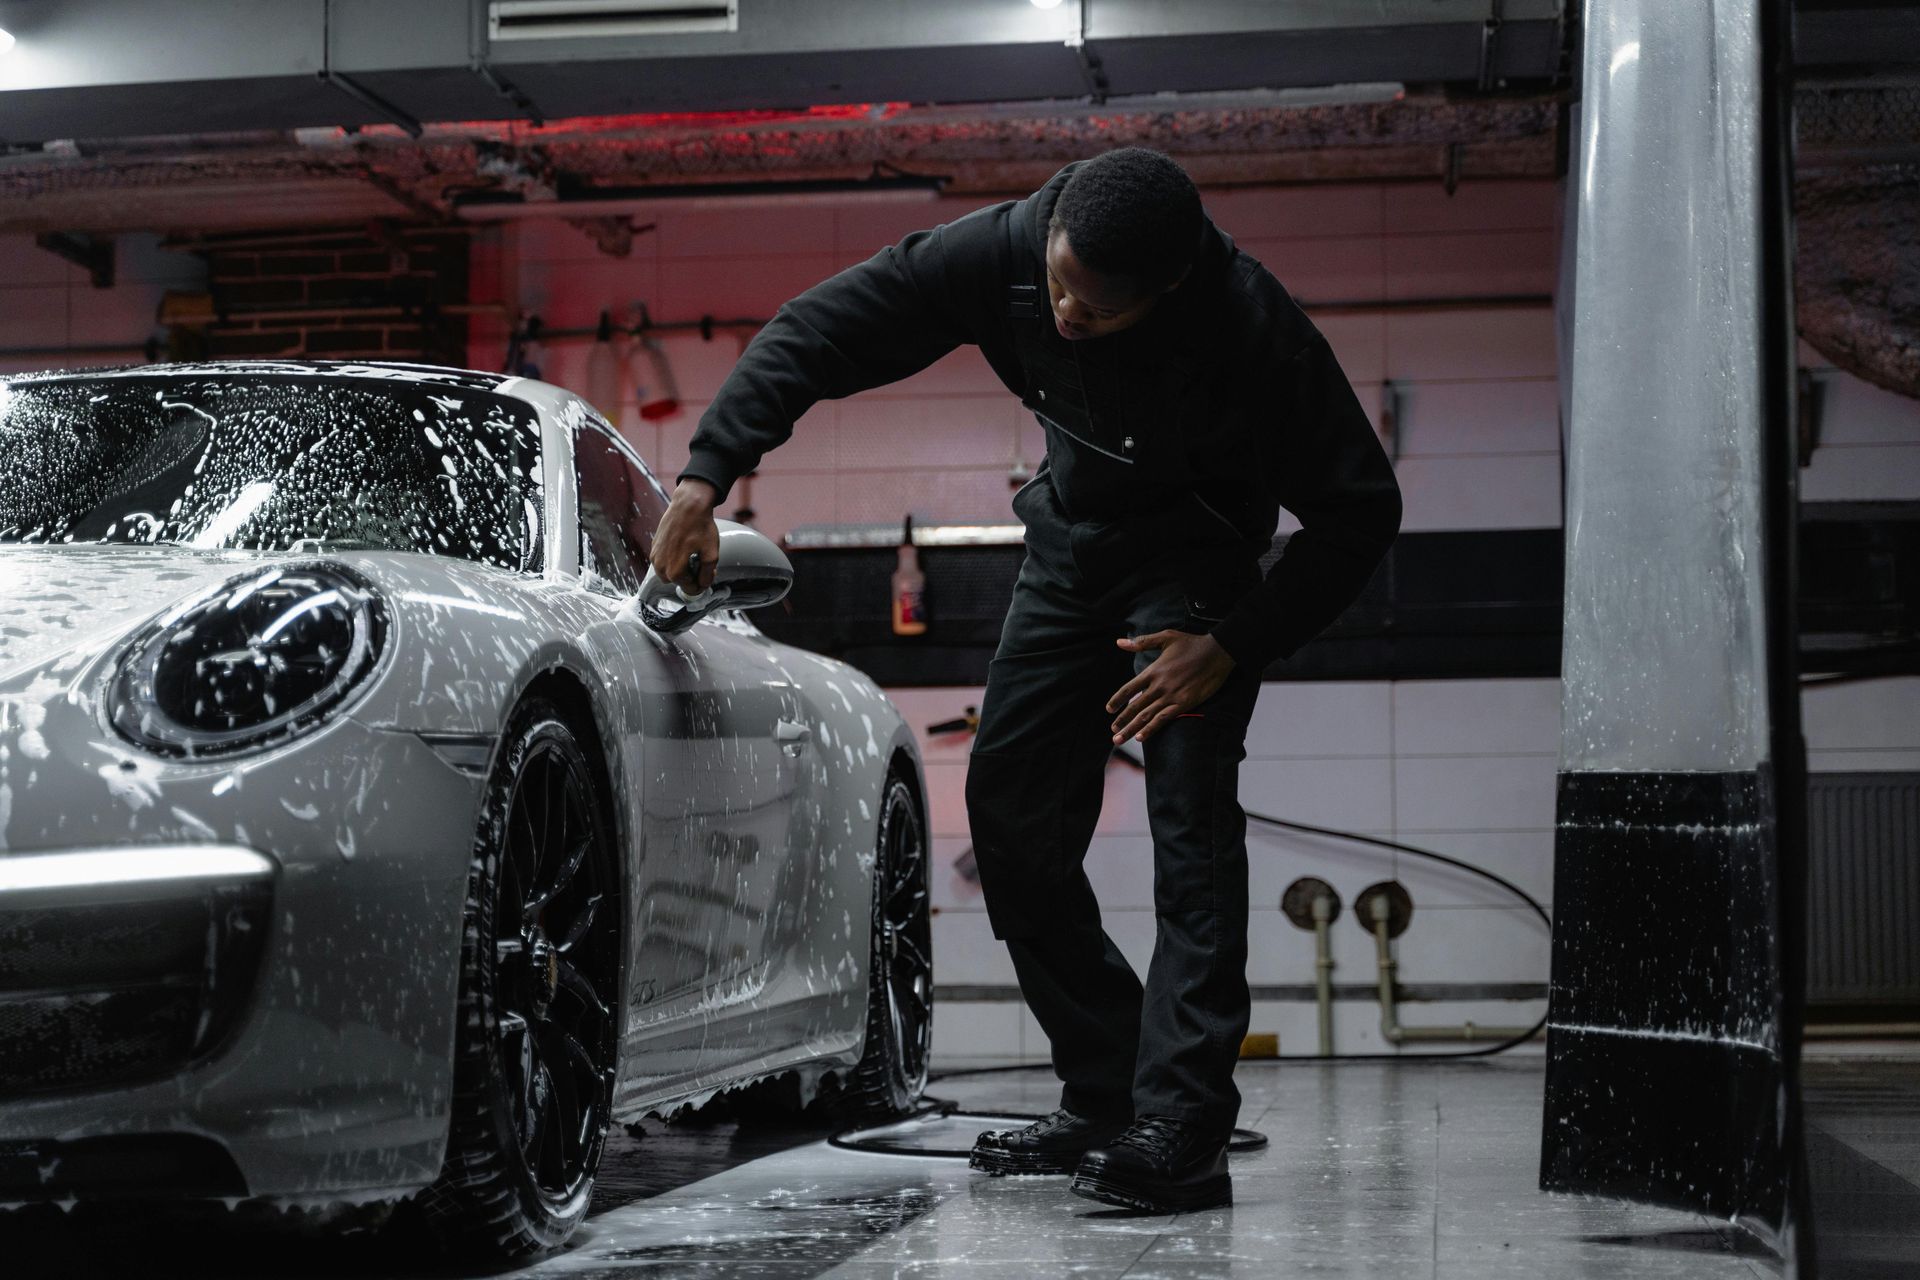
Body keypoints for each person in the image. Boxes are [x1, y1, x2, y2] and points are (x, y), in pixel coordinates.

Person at [650, 147, 1401, 1212]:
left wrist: (1234, 642)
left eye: (1093, 308)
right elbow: (821, 328)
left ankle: (1185, 1122)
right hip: (1070, 551)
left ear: (1169, 288)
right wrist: (705, 471)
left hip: (1197, 572)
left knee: (1188, 823)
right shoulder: (1003, 248)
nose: (1062, 314)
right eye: (1055, 284)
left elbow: (1361, 512)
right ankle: (1104, 1088)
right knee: (1008, 817)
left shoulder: (1251, 326)